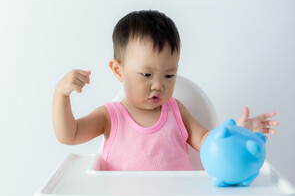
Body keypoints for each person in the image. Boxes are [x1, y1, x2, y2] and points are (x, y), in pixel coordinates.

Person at [52, 10, 278, 171]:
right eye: (146, 74)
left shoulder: (177, 112)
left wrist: (238, 133)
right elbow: (69, 135)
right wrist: (61, 95)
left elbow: (209, 143)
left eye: (169, 75)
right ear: (118, 70)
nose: (158, 84)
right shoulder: (109, 117)